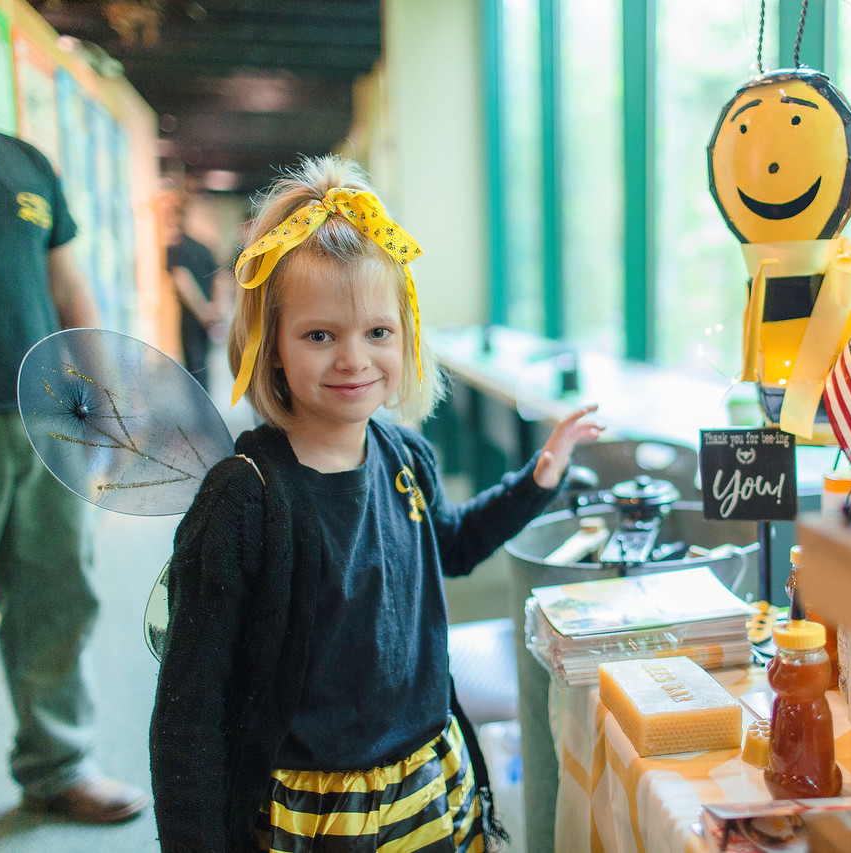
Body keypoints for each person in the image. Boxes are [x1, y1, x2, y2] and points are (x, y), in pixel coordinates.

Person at [148, 155, 603, 852]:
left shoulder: (405, 455)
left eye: (377, 333)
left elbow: (448, 545)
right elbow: (190, 708)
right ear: (272, 347)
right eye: (320, 335)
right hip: (314, 807)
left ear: (406, 335)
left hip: (424, 776)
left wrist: (538, 479)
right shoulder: (243, 498)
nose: (354, 359)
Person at [0, 43, 149, 851]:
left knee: (58, 595)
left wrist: (107, 399)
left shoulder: (25, 164)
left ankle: (58, 765)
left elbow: (72, 289)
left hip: (42, 415)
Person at [162, 193, 223, 393]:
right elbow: (219, 279)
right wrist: (213, 308)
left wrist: (201, 310)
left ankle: (200, 414)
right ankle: (208, 411)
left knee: (194, 366)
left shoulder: (176, 246)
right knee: (204, 364)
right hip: (207, 315)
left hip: (192, 315)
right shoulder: (204, 247)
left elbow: (182, 280)